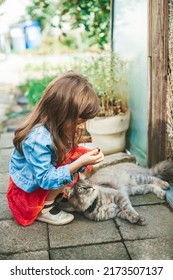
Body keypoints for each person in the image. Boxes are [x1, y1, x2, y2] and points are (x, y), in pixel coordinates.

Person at [6, 71, 104, 226]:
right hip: (28, 192)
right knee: (73, 163)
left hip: (39, 175)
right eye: (79, 122)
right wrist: (78, 164)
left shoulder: (53, 125)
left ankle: (57, 196)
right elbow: (45, 179)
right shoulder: (37, 139)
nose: (82, 127)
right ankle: (45, 208)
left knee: (77, 157)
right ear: (61, 113)